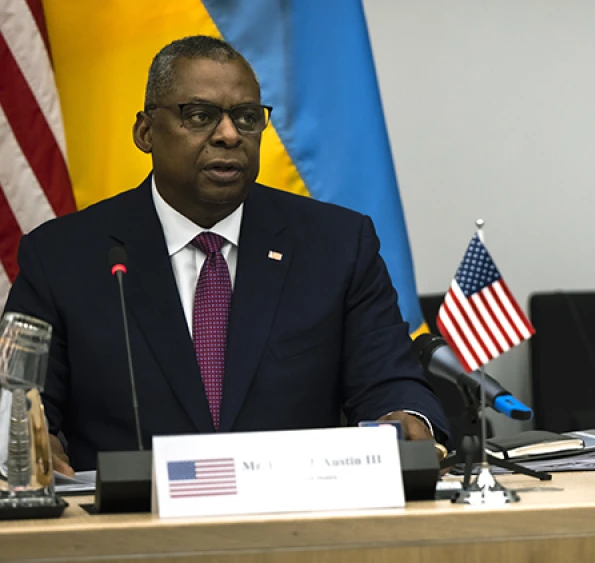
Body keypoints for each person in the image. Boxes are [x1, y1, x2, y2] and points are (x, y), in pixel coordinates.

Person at [3, 36, 448, 474]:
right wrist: (26, 445)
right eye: (199, 116)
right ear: (145, 132)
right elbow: (20, 401)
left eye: (247, 117)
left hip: (296, 525)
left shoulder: (336, 243)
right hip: (130, 532)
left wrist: (405, 417)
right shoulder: (62, 256)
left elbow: (390, 382)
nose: (230, 135)